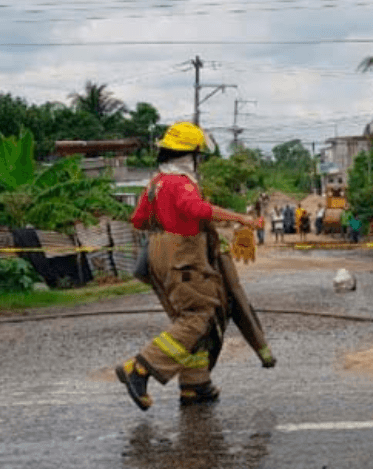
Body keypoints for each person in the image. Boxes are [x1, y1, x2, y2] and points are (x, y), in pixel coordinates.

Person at [115, 121, 273, 411]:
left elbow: (138, 220)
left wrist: (167, 223)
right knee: (199, 316)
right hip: (184, 257)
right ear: (190, 155)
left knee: (193, 321)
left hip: (159, 255)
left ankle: (195, 385)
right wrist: (241, 218)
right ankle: (138, 369)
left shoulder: (156, 183)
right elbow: (193, 209)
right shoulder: (181, 183)